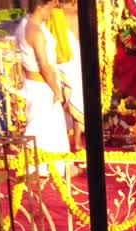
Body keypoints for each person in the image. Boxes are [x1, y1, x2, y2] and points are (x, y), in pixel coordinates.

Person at [16, 0, 72, 174]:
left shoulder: (26, 23)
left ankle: (55, 166)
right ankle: (41, 166)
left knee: (50, 126)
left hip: (36, 84)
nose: (51, 12)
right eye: (49, 8)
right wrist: (56, 89)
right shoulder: (35, 31)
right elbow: (44, 65)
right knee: (41, 126)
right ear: (40, 6)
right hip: (41, 85)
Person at [50, 0, 84, 151]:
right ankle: (76, 141)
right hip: (79, 59)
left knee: (66, 97)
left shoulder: (55, 11)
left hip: (64, 61)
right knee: (78, 98)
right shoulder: (83, 9)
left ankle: (69, 140)